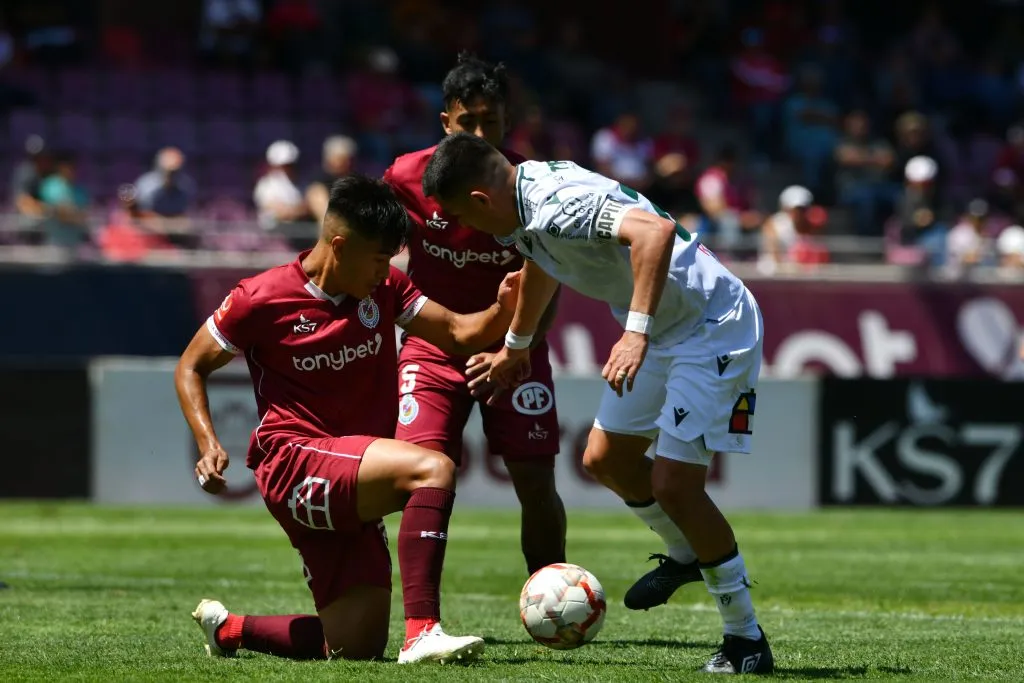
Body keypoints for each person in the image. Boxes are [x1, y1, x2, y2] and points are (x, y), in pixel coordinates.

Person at [422, 133, 774, 675]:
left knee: (675, 486)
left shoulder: (555, 200)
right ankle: (685, 555)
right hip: (665, 327)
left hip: (712, 327)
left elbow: (654, 232)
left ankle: (746, 640)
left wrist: (635, 332)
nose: (466, 229)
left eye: (461, 216)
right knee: (605, 459)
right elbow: (543, 262)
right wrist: (515, 346)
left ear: (479, 199)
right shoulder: (523, 208)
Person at [176, 175, 521, 664]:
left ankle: (229, 629)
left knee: (354, 646)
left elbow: (459, 332)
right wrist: (208, 443)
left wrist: (505, 308)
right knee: (432, 468)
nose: (386, 270)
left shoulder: (386, 287)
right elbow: (191, 366)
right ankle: (423, 632)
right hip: (293, 462)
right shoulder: (260, 297)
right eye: (379, 258)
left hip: (349, 466)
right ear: (339, 246)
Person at [383, 53, 566, 576]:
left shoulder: (531, 187)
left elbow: (550, 279)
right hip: (432, 348)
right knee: (421, 476)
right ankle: (422, 615)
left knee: (535, 482)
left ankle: (551, 599)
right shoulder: (405, 177)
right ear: (446, 122)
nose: (481, 134)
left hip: (515, 349)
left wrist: (520, 348)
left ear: (508, 121)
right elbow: (374, 255)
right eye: (468, 122)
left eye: (492, 121)